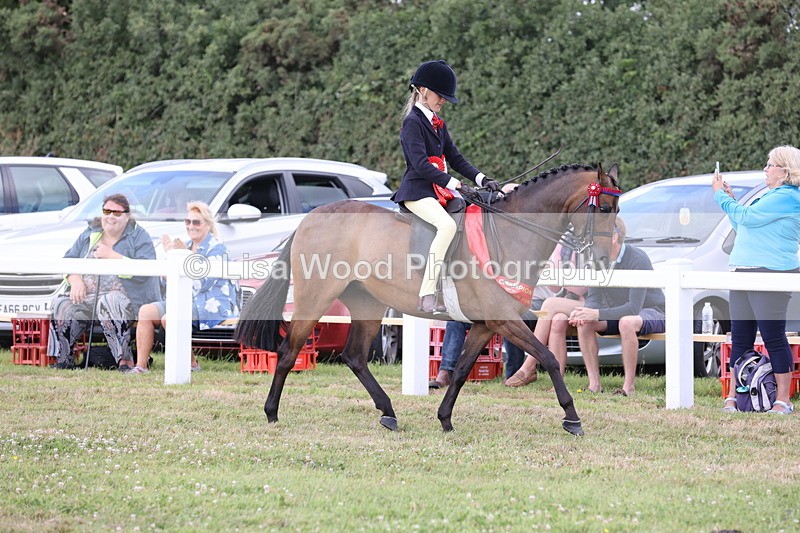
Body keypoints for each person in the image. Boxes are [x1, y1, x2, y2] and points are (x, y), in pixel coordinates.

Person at [505, 217, 665, 395]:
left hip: (651, 311)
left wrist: (594, 312)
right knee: (583, 321)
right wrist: (587, 312)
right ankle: (594, 385)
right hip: (616, 311)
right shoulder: (598, 260)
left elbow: (633, 308)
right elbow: (594, 298)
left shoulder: (637, 258)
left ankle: (628, 387)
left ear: (613, 237)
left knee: (626, 322)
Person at [391, 59, 500, 313]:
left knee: (473, 213)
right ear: (422, 90)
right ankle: (428, 292)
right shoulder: (412, 123)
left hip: (438, 190)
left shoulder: (438, 124)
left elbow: (456, 158)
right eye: (440, 96)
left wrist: (483, 179)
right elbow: (420, 165)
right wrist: (456, 185)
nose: (443, 102)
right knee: (447, 225)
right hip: (417, 191)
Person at [716, 146, 800, 414]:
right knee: (740, 337)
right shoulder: (770, 196)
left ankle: (783, 400)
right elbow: (743, 224)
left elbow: (747, 217)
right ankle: (734, 397)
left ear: (784, 171)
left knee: (773, 336)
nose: (765, 169)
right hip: (744, 271)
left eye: (770, 164)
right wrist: (730, 201)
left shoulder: (788, 197)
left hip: (771, 272)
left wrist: (720, 196)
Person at [50, 194, 161, 370]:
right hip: (88, 296)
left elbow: (145, 272)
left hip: (128, 299)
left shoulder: (139, 236)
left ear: (127, 216)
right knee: (61, 303)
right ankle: (64, 359)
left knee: (109, 301)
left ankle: (125, 361)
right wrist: (76, 279)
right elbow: (68, 259)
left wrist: (112, 256)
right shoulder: (90, 232)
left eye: (116, 213)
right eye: (107, 211)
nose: (110, 216)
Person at [127, 201, 240, 374]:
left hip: (213, 303)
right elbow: (169, 283)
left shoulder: (217, 248)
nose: (191, 226)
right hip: (184, 299)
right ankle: (140, 367)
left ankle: (191, 365)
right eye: (187, 222)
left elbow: (203, 284)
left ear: (208, 225)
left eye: (196, 222)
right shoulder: (185, 246)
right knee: (145, 311)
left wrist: (186, 258)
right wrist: (170, 259)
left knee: (169, 318)